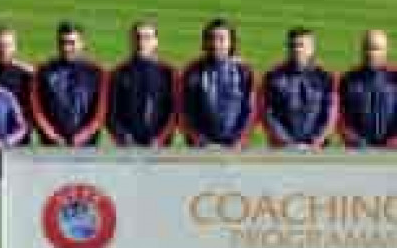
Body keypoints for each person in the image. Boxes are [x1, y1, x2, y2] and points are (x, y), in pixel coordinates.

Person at [178, 18, 257, 148]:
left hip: (235, 148)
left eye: (221, 39)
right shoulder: (192, 71)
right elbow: (184, 111)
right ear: (204, 41)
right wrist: (200, 141)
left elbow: (251, 111)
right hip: (200, 148)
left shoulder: (245, 72)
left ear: (231, 42)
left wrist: (238, 141)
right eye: (211, 38)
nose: (215, 44)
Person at [31, 21, 108, 146]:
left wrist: (83, 135)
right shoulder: (43, 71)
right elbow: (36, 108)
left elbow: (101, 111)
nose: (66, 48)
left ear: (82, 43)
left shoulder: (97, 72)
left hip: (87, 144)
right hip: (52, 144)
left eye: (72, 43)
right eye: (62, 43)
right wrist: (52, 135)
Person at [261, 28, 336, 149]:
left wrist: (314, 143)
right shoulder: (273, 77)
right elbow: (269, 114)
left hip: (317, 150)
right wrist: (288, 144)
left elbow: (330, 115)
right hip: (283, 149)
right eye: (293, 45)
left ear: (312, 49)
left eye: (302, 45)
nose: (297, 50)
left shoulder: (326, 77)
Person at [107, 20, 176, 147]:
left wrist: (159, 139)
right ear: (131, 41)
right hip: (127, 146)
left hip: (159, 147)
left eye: (147, 37)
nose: (141, 42)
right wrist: (123, 137)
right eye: (137, 37)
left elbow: (174, 112)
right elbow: (111, 114)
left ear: (156, 41)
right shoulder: (118, 73)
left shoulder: (169, 73)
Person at [339, 30, 397, 148]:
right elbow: (340, 117)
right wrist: (354, 140)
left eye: (376, 48)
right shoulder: (348, 79)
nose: (371, 53)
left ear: (386, 50)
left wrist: (393, 142)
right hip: (359, 150)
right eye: (367, 48)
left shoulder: (394, 78)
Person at [0, 26, 34, 145]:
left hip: (18, 138)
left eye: (8, 45)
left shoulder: (26, 74)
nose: (3, 50)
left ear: (15, 47)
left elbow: (33, 109)